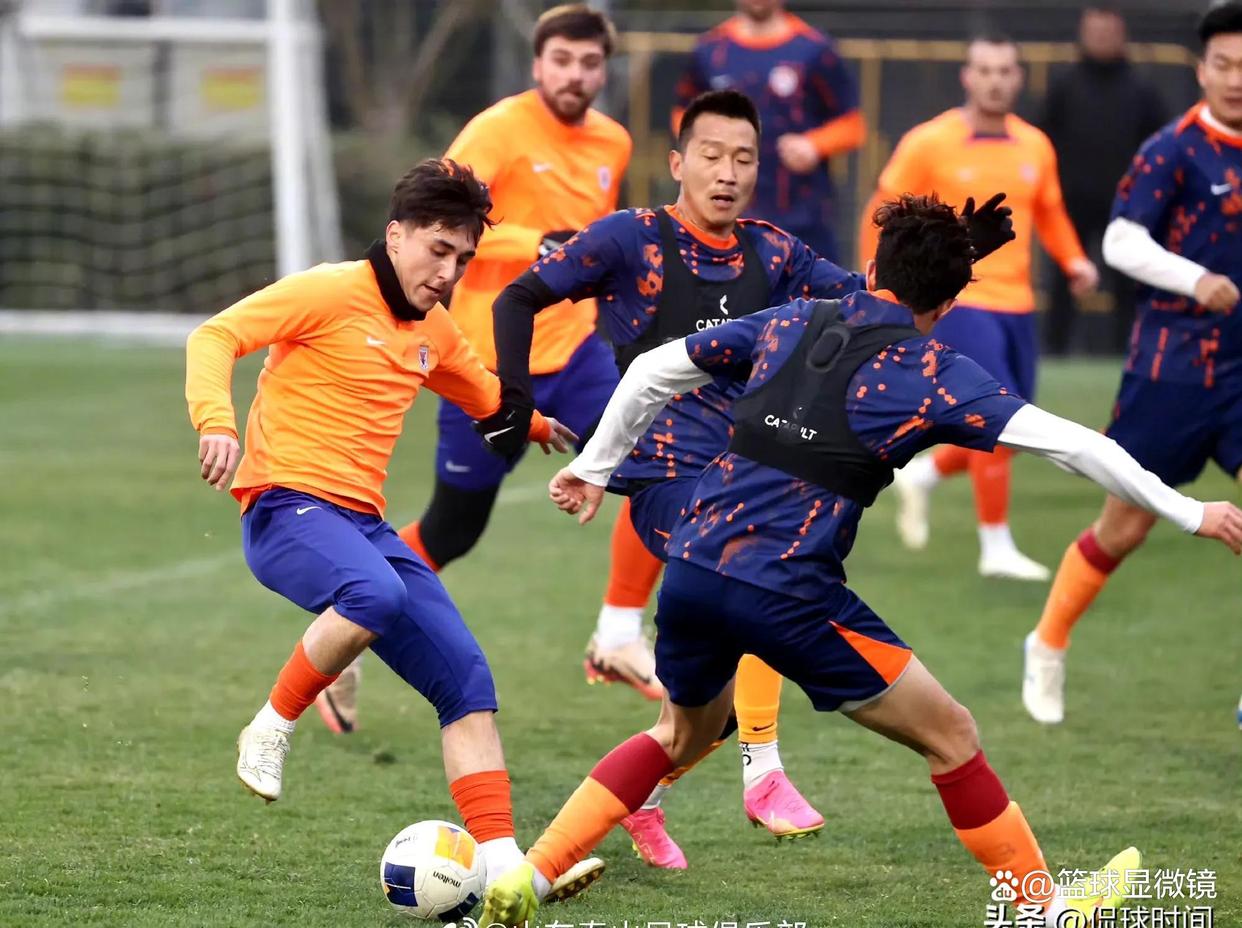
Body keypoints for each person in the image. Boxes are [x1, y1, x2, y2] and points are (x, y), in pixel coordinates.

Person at [481, 192, 1242, 928]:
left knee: (678, 736)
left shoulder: (793, 319)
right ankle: (1044, 911)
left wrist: (595, 468)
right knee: (953, 736)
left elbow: (651, 370)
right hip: (788, 592)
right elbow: (1078, 446)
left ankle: (532, 874)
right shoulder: (934, 371)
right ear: (949, 304)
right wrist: (1190, 511)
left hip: (692, 568)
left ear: (872, 268)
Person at [493, 89, 1014, 866]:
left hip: (738, 481)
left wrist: (958, 253)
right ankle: (762, 771)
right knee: (761, 567)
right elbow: (519, 296)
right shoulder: (629, 238)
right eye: (711, 155)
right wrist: (512, 396)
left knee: (701, 712)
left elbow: (878, 298)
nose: (727, 172)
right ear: (678, 163)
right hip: (667, 482)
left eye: (743, 158)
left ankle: (641, 798)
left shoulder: (774, 254)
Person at [184, 159, 599, 897]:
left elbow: (483, 395)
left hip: (361, 524)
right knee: (375, 593)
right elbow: (215, 336)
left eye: (462, 259)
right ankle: (271, 725)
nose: (448, 273)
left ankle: (505, 873)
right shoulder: (328, 290)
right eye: (438, 250)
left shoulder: (434, 330)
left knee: (466, 680)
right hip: (283, 508)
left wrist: (538, 425)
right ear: (397, 234)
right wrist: (217, 422)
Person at [309, 5, 644, 732]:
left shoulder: (613, 141)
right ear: (538, 63)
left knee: (657, 466)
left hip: (578, 356)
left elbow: (597, 244)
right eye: (562, 60)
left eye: (589, 63)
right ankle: (345, 626)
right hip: (489, 364)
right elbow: (438, 220)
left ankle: (618, 631)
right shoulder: (497, 131)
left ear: (603, 70)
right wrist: (537, 243)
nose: (575, 75)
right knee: (453, 530)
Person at [1022, 2, 1242, 726]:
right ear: (1202, 70)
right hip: (1172, 371)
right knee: (1123, 529)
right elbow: (1120, 242)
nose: (1236, 79)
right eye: (1224, 65)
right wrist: (1194, 279)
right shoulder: (1172, 149)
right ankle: (1047, 642)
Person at [861, 33, 1100, 581]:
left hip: (1019, 303)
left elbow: (1050, 212)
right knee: (1003, 412)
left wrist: (1074, 262)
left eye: (1005, 70)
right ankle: (996, 546)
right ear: (967, 77)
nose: (995, 80)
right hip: (960, 301)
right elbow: (881, 209)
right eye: (985, 70)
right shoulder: (929, 142)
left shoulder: (1035, 145)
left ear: (1019, 78)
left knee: (1011, 420)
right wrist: (875, 282)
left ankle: (923, 475)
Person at [674, 0, 865, 262]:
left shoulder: (814, 49)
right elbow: (682, 114)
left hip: (801, 218)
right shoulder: (710, 50)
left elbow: (853, 125)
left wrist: (814, 145)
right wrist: (708, 147)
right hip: (726, 214)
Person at [1040, 3, 1168, 355]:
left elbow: (1161, 146)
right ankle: (1054, 351)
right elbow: (1043, 138)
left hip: (1126, 205)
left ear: (1121, 34)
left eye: (1107, 32)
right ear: (1083, 34)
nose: (1101, 38)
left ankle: (1129, 352)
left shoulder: (1141, 89)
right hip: (1072, 202)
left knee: (1129, 282)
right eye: (1094, 32)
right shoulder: (1064, 85)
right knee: (1064, 278)